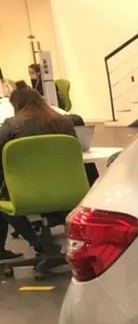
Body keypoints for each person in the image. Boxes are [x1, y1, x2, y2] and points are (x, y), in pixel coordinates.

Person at [0, 86, 79, 261]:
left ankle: (37, 244)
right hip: (66, 190)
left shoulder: (11, 124)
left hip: (26, 193)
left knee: (3, 196)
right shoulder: (64, 122)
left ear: (16, 104)